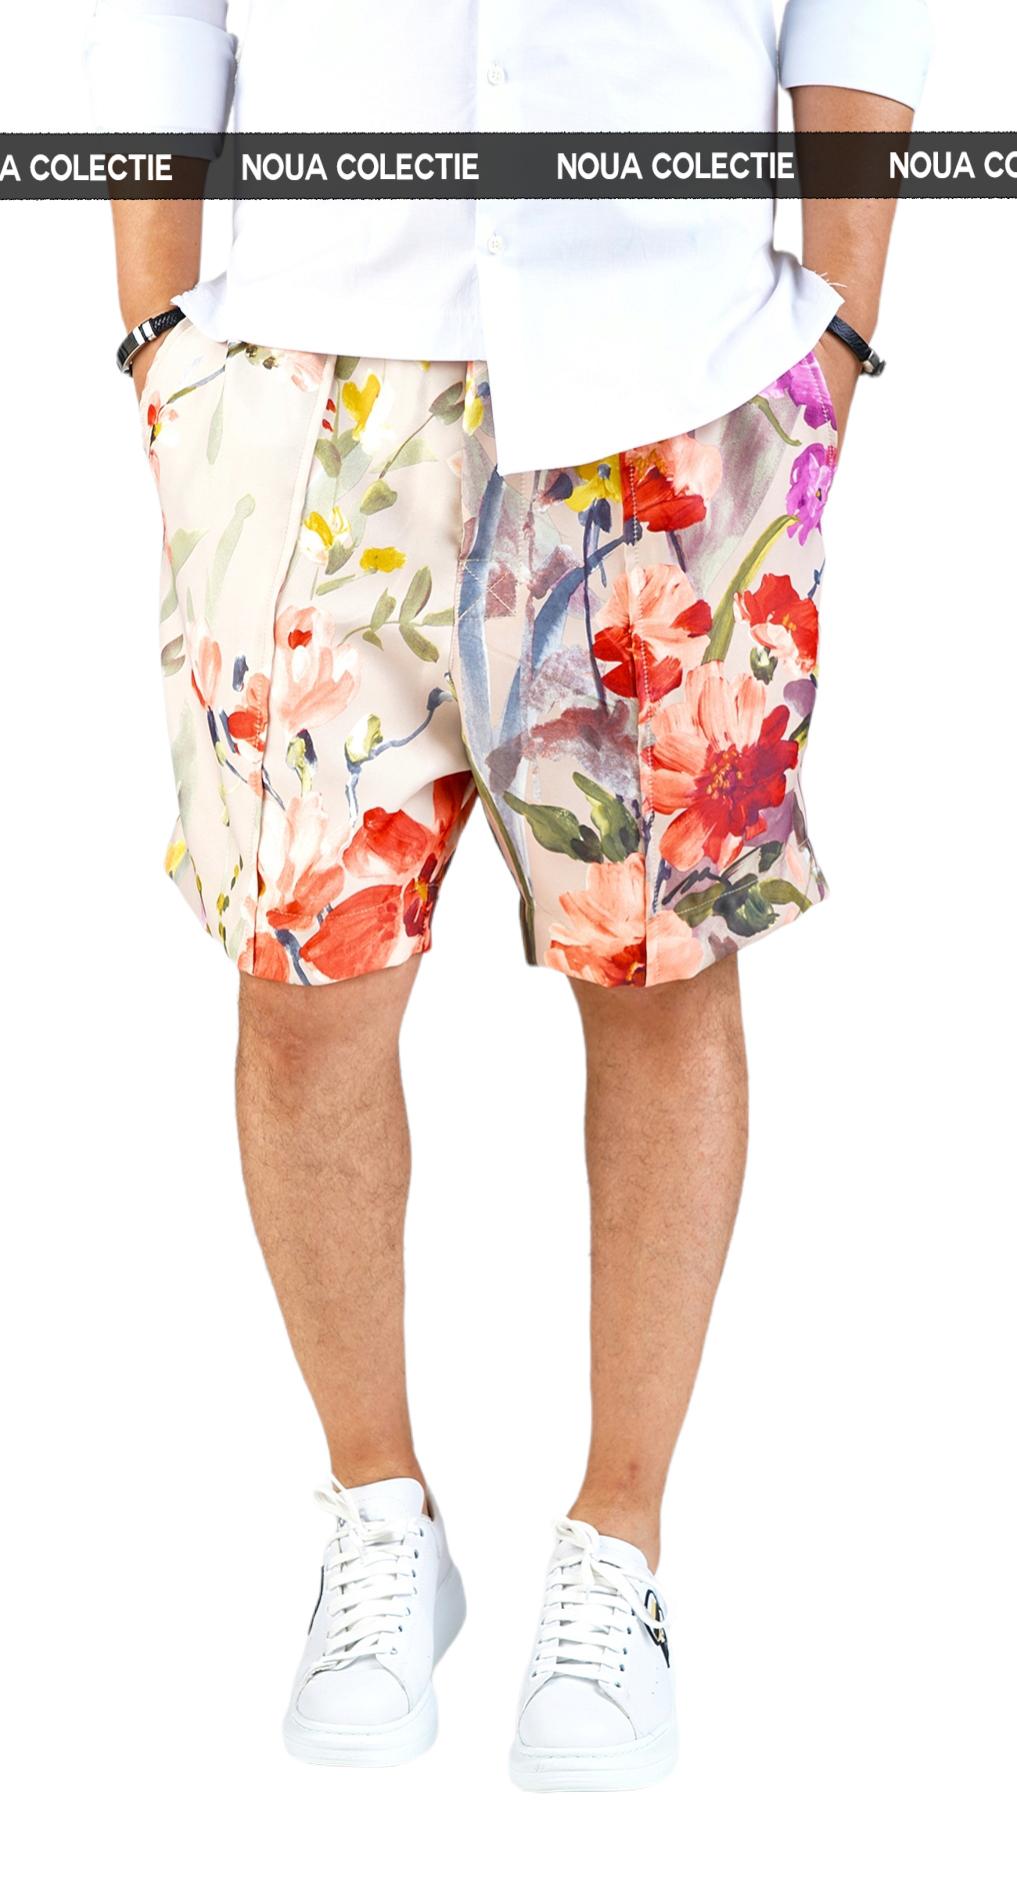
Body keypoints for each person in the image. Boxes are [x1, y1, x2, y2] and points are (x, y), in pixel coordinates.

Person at [86, 0, 931, 1792]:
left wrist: (840, 337)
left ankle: (618, 1544)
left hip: (675, 387)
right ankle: (374, 1512)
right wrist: (157, 339)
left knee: (659, 978)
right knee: (301, 984)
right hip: (302, 383)